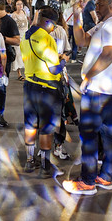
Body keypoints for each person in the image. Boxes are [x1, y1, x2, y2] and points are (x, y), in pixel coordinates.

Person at [62, 0, 112, 195]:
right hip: (110, 88)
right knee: (109, 133)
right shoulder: (106, 24)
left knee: (89, 134)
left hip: (100, 89)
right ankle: (105, 177)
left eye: (99, 5)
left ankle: (87, 182)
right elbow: (82, 41)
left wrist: (88, 77)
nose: (95, 9)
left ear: (110, 5)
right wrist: (76, 17)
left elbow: (109, 53)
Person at [20, 7, 68, 178]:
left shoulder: (25, 37)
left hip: (29, 86)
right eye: (53, 26)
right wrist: (63, 60)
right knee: (45, 128)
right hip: (47, 88)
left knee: (30, 124)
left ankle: (29, 160)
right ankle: (46, 167)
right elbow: (54, 69)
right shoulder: (47, 38)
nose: (53, 29)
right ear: (48, 22)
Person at [0, 0, 20, 127]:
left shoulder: (9, 21)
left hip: (3, 59)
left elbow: (17, 41)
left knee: (1, 88)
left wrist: (2, 38)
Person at [50, 10, 73, 160]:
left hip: (45, 79)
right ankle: (57, 146)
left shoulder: (33, 34)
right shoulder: (60, 31)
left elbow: (67, 53)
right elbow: (68, 53)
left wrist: (62, 59)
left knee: (48, 114)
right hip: (56, 77)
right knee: (59, 113)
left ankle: (49, 147)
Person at [11, 0, 28, 81]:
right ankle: (19, 73)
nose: (20, 6)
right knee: (18, 54)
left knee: (25, 54)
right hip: (17, 36)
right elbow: (13, 27)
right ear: (15, 6)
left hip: (25, 35)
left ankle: (27, 72)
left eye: (21, 4)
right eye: (18, 4)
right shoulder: (13, 15)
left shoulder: (24, 12)